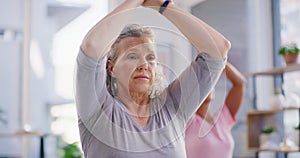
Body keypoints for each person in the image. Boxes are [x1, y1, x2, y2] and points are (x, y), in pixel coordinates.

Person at [76, 0, 231, 157]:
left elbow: (218, 50)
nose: (144, 64)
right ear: (111, 68)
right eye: (132, 56)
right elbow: (92, 46)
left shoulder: (172, 108)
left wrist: (163, 5)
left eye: (150, 57)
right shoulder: (97, 110)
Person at [185, 62, 246, 158]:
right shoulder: (188, 122)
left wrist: (217, 60)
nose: (207, 84)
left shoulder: (222, 120)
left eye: (210, 80)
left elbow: (240, 83)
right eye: (201, 81)